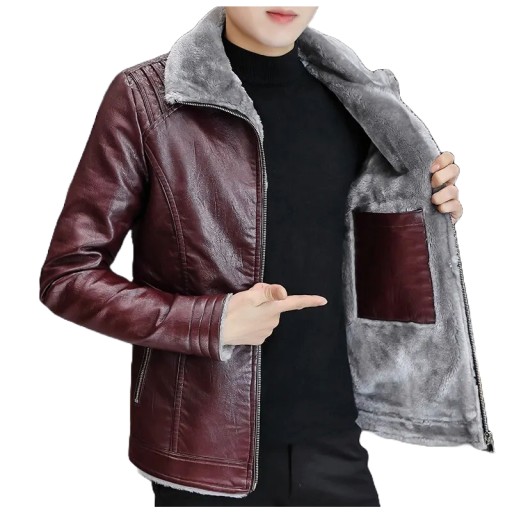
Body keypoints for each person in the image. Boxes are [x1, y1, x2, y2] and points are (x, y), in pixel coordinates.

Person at [39, 5, 476, 508]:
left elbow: (361, 262)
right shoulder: (148, 100)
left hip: (335, 441)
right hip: (204, 454)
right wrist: (211, 321)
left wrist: (424, 209)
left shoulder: (362, 102)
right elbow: (68, 276)